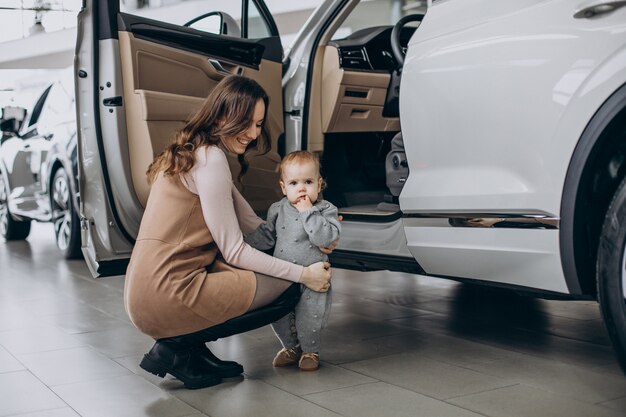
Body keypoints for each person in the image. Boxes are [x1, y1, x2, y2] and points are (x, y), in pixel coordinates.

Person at [123, 75, 333, 390]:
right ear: (222, 115)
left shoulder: (197, 150)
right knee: (289, 288)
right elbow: (235, 250)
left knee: (271, 270)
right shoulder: (211, 160)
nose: (253, 133)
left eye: (259, 124)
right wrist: (304, 273)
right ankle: (175, 348)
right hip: (167, 294)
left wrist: (310, 229)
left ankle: (191, 350)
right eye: (246, 122)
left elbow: (250, 222)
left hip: (147, 289)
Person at [245, 151, 341, 371]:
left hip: (314, 277)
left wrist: (308, 212)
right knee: (279, 315)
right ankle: (291, 346)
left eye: (308, 182)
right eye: (294, 183)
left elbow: (324, 238)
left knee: (310, 317)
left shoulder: (326, 210)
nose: (301, 189)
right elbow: (268, 236)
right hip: (283, 275)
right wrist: (243, 239)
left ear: (319, 183)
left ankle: (310, 350)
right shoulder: (277, 209)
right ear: (283, 187)